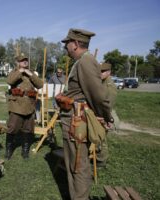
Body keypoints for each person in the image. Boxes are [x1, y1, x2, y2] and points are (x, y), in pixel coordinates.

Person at [59, 28, 113, 199]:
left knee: (78, 165)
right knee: (74, 164)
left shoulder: (86, 62)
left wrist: (106, 117)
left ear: (75, 44)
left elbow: (98, 95)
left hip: (77, 122)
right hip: (73, 120)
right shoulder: (82, 61)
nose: (65, 47)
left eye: (67, 43)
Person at [5, 53, 43, 159]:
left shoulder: (31, 73)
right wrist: (20, 71)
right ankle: (9, 150)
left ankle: (25, 151)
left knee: (28, 129)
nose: (25, 62)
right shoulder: (14, 72)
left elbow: (40, 85)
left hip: (29, 105)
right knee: (12, 128)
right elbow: (9, 81)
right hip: (17, 104)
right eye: (22, 60)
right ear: (18, 62)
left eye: (26, 60)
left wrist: (30, 74)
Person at [96, 62, 117, 167]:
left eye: (103, 71)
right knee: (99, 137)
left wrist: (105, 119)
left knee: (102, 138)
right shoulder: (102, 82)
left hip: (104, 115)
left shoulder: (110, 86)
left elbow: (108, 105)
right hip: (99, 113)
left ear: (109, 72)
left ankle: (101, 161)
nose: (100, 73)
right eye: (99, 71)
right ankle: (98, 157)